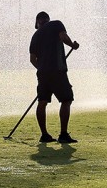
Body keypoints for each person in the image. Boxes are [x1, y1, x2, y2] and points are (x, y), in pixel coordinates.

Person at [29, 11, 80, 144]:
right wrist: (72, 45)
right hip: (57, 71)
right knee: (66, 99)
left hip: (42, 73)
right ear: (47, 19)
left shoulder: (35, 36)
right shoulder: (56, 24)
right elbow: (63, 37)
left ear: (37, 22)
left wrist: (42, 68)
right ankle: (63, 134)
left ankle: (44, 135)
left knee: (42, 101)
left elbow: (32, 59)